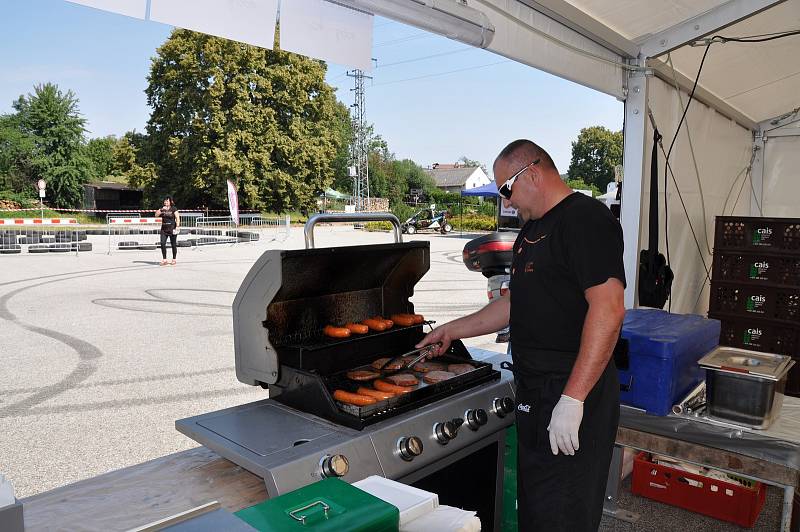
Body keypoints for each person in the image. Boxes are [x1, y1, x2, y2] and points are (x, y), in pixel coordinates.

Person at [416, 139, 625, 531]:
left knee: (563, 516)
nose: (506, 202)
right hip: (537, 393)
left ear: (532, 172)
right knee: (536, 512)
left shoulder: (585, 219)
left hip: (572, 393)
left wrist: (573, 398)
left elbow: (609, 308)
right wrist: (450, 330)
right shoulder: (531, 232)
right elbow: (515, 303)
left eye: (505, 190)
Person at [155, 197, 180, 266]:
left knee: (173, 244)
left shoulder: (174, 208)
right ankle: (164, 260)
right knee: (162, 243)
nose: (165, 202)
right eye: (165, 201)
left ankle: (174, 259)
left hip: (172, 228)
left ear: (170, 202)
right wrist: (160, 209)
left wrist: (177, 226)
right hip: (164, 229)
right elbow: (156, 215)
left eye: (167, 201)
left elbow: (177, 218)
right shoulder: (162, 209)